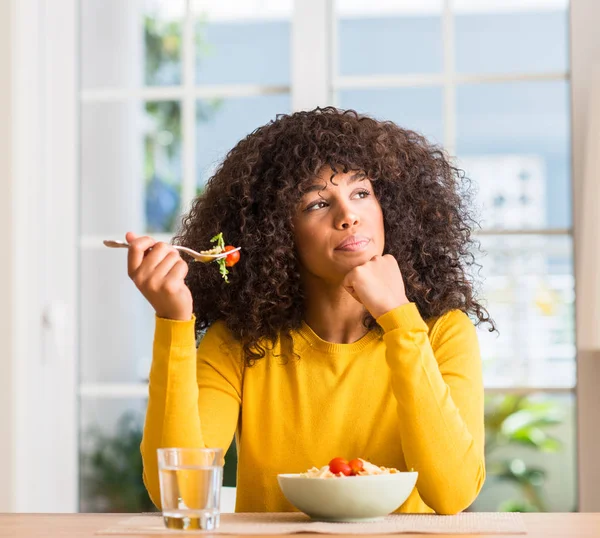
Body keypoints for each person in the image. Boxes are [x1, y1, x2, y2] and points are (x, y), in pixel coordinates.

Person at [126, 107, 494, 515]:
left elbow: (453, 493)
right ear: (277, 232)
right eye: (318, 203)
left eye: (360, 193)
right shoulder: (238, 343)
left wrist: (399, 318)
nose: (348, 216)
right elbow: (176, 495)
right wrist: (173, 322)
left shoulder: (443, 332)